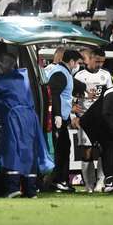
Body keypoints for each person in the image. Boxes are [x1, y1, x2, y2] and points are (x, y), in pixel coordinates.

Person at [0, 53, 53, 198]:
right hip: (31, 117)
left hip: (15, 117)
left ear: (2, 65)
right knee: (29, 152)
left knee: (12, 149)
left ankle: (13, 188)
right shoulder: (21, 77)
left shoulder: (3, 81)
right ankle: (30, 190)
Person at [73, 48, 113, 192]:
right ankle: (88, 185)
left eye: (102, 62)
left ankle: (100, 183)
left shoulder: (106, 75)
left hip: (101, 118)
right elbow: (73, 98)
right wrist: (74, 115)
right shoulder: (79, 76)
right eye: (97, 61)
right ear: (88, 59)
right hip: (85, 118)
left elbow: (111, 95)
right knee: (87, 151)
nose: (100, 64)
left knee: (103, 149)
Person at [47, 50, 85, 193]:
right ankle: (59, 181)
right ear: (72, 61)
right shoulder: (60, 73)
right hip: (58, 119)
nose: (78, 66)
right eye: (78, 63)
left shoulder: (63, 72)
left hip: (62, 118)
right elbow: (55, 94)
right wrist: (57, 115)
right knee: (61, 150)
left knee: (64, 148)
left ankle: (60, 180)